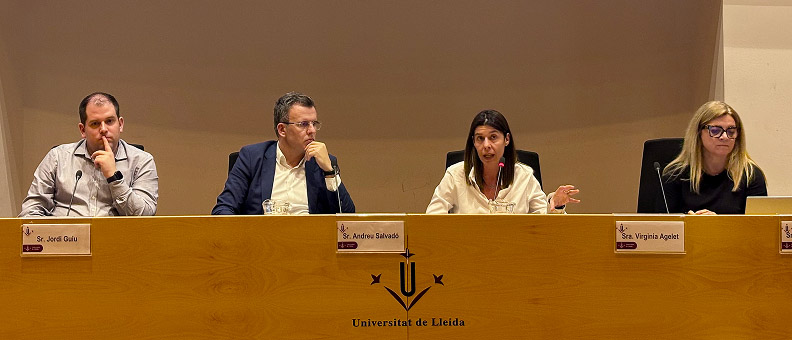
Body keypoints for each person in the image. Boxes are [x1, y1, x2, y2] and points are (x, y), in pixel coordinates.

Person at [212, 92, 354, 215]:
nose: (312, 130)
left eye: (314, 124)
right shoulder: (252, 157)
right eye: (303, 124)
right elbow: (224, 209)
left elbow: (347, 218)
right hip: (262, 240)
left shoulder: (323, 162)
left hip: (308, 241)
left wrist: (329, 172)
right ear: (282, 130)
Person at [19, 92, 158, 217]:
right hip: (65, 241)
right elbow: (30, 212)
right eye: (95, 123)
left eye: (109, 121)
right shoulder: (57, 158)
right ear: (82, 130)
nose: (103, 129)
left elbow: (144, 216)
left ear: (120, 124)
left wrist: (113, 177)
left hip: (117, 242)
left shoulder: (142, 161)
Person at [426, 109, 579, 214]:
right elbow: (432, 218)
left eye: (493, 137)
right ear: (473, 142)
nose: (486, 145)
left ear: (506, 139)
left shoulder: (524, 176)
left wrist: (556, 204)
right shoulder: (455, 175)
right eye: (480, 138)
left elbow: (544, 222)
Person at [662, 101, 767, 214]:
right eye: (715, 131)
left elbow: (759, 228)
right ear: (698, 133)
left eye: (731, 131)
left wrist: (716, 224)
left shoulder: (751, 175)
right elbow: (662, 227)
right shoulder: (674, 175)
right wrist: (688, 223)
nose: (725, 137)